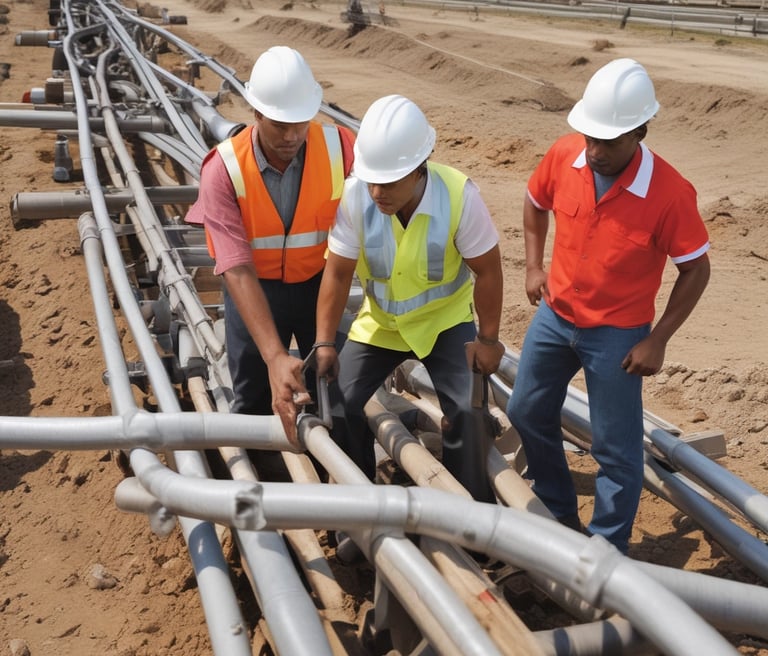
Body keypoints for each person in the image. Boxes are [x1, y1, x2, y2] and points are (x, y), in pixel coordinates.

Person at [506, 58, 711, 554]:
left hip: (618, 335)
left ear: (640, 130)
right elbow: (535, 203)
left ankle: (605, 549)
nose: (593, 150)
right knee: (526, 411)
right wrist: (534, 267)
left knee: (615, 451)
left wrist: (657, 338)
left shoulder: (669, 194)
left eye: (607, 141)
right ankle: (557, 512)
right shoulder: (564, 155)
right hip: (555, 318)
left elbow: (696, 269)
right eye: (588, 137)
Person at [313, 94, 505, 503]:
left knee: (469, 415)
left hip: (445, 324)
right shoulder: (355, 197)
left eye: (390, 181)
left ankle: (472, 518)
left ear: (419, 170)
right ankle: (356, 508)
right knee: (341, 403)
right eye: (372, 179)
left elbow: (488, 271)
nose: (378, 191)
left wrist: (488, 341)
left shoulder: (458, 197)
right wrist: (326, 341)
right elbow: (338, 272)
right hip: (381, 324)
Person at [185, 46, 355, 445]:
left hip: (319, 284)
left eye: (300, 123)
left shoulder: (341, 149)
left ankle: (342, 480)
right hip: (255, 290)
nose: (293, 136)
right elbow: (237, 269)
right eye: (280, 125)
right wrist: (275, 357)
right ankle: (262, 479)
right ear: (256, 113)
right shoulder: (223, 170)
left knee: (339, 389)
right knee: (254, 398)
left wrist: (328, 337)